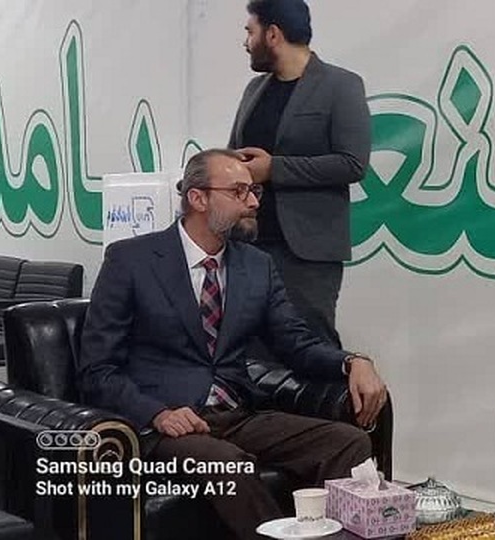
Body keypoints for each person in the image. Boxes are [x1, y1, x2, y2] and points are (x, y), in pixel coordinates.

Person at [78, 148, 388, 540]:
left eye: (255, 191)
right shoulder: (131, 260)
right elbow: (97, 370)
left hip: (236, 415)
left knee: (347, 442)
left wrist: (352, 361)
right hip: (166, 424)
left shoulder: (256, 265)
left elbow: (295, 342)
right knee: (229, 466)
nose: (254, 202)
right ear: (198, 198)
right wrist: (157, 413)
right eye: (239, 191)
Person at [229, 0, 371, 347]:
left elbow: (352, 163)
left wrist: (273, 168)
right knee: (251, 350)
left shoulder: (342, 85)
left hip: (306, 254)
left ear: (273, 34)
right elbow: (234, 151)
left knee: (308, 347)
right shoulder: (254, 90)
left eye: (250, 32)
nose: (245, 42)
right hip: (248, 245)